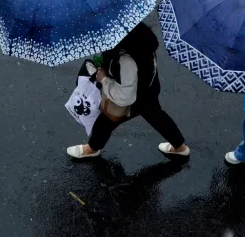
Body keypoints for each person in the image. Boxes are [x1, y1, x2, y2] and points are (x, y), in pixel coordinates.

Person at [67, 23, 189, 159]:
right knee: (156, 115)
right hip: (148, 88)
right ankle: (179, 147)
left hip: (133, 96)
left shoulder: (126, 61)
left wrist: (104, 80)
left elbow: (125, 96)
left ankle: (92, 148)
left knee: (106, 120)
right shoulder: (139, 37)